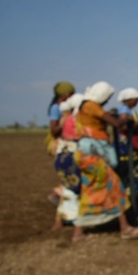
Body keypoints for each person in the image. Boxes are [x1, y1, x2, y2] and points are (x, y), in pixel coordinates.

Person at [73, 81, 138, 242]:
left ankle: (78, 234)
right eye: (107, 98)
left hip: (84, 154)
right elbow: (116, 124)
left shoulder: (84, 106)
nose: (107, 102)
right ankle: (125, 228)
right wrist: (123, 118)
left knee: (89, 191)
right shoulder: (92, 106)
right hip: (93, 156)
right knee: (115, 186)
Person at [50, 93, 84, 231]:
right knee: (80, 190)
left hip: (62, 156)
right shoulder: (76, 119)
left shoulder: (65, 118)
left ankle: (58, 221)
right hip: (73, 156)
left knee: (67, 189)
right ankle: (79, 226)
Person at [46, 81, 76, 205]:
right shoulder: (56, 108)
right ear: (65, 95)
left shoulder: (64, 108)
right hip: (60, 143)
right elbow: (54, 130)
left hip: (66, 142)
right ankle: (56, 195)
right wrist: (64, 122)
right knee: (69, 171)